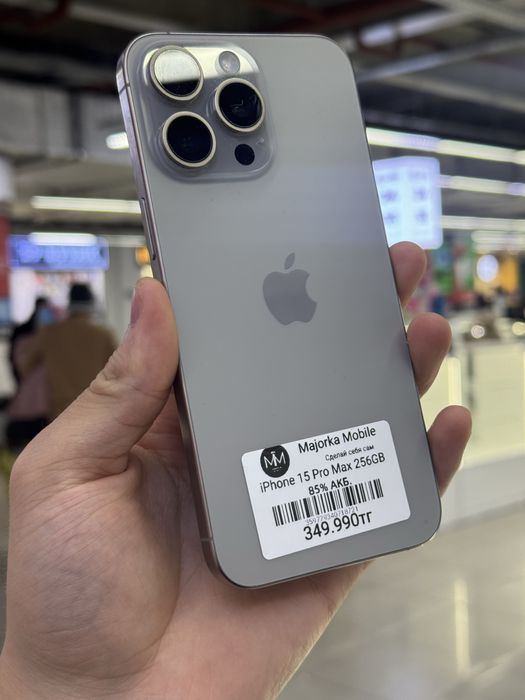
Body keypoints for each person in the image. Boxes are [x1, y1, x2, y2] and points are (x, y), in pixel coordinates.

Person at [0, 244, 471, 699]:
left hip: (74, 419)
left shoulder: (50, 336)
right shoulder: (100, 336)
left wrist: (61, 688)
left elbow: (25, 365)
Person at [21, 283, 117, 420]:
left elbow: (26, 367)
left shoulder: (49, 333)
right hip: (95, 407)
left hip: (59, 410)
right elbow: (118, 372)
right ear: (91, 303)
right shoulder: (103, 335)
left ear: (69, 302)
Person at [6, 298, 53, 449]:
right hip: (36, 404)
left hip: (39, 403)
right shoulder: (27, 336)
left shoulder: (52, 334)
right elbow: (21, 365)